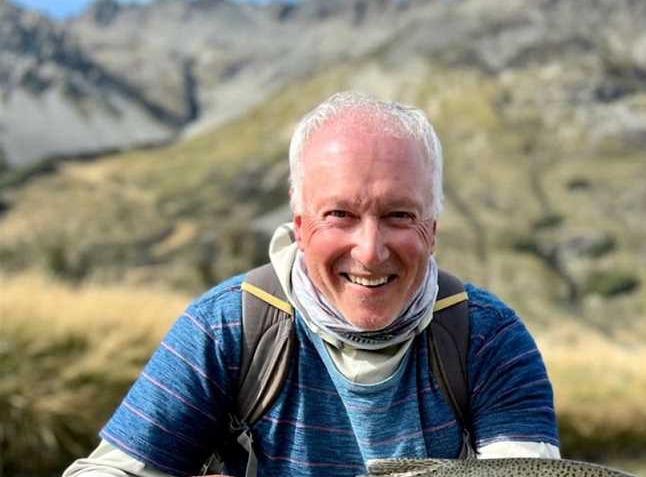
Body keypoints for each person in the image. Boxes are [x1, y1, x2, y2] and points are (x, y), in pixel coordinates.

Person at [64, 92, 560, 477]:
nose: (369, 251)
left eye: (399, 215)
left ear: (433, 227)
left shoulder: (491, 338)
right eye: (339, 214)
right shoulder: (225, 327)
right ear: (299, 223)